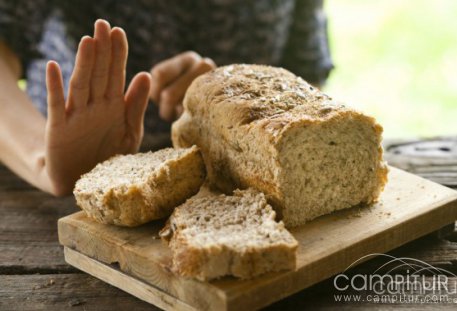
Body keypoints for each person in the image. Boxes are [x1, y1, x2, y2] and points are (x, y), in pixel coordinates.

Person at [0, 0, 333, 196]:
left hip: (235, 188)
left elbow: (305, 77)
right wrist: (41, 158)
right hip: (51, 192)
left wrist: (226, 93)